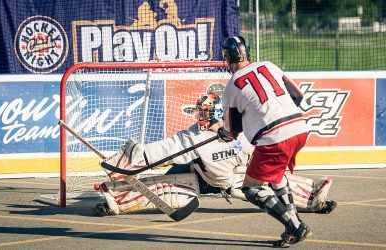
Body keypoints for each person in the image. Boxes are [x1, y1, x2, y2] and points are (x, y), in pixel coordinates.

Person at [93, 93, 336, 219]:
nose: (199, 117)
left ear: (217, 114)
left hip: (230, 181)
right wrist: (130, 159)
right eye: (199, 112)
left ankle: (315, 199)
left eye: (204, 113)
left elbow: (257, 160)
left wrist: (262, 175)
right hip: (197, 178)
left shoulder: (241, 135)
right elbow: (161, 151)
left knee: (270, 183)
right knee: (161, 187)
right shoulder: (193, 137)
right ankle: (113, 201)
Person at [217, 35, 314, 247]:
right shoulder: (269, 65)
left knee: (252, 188)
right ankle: (294, 223)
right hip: (300, 129)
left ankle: (295, 227)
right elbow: (296, 96)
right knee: (276, 176)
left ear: (227, 57)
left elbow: (233, 130)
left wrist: (224, 134)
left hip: (275, 139)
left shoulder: (232, 85)